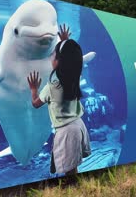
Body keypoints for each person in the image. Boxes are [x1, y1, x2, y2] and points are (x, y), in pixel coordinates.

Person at [27, 24, 91, 175]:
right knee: (73, 165)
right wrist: (65, 42)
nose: (51, 57)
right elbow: (73, 60)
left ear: (58, 61)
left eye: (54, 55)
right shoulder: (75, 77)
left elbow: (35, 104)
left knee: (69, 170)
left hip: (66, 130)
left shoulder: (52, 87)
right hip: (78, 125)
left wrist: (33, 89)